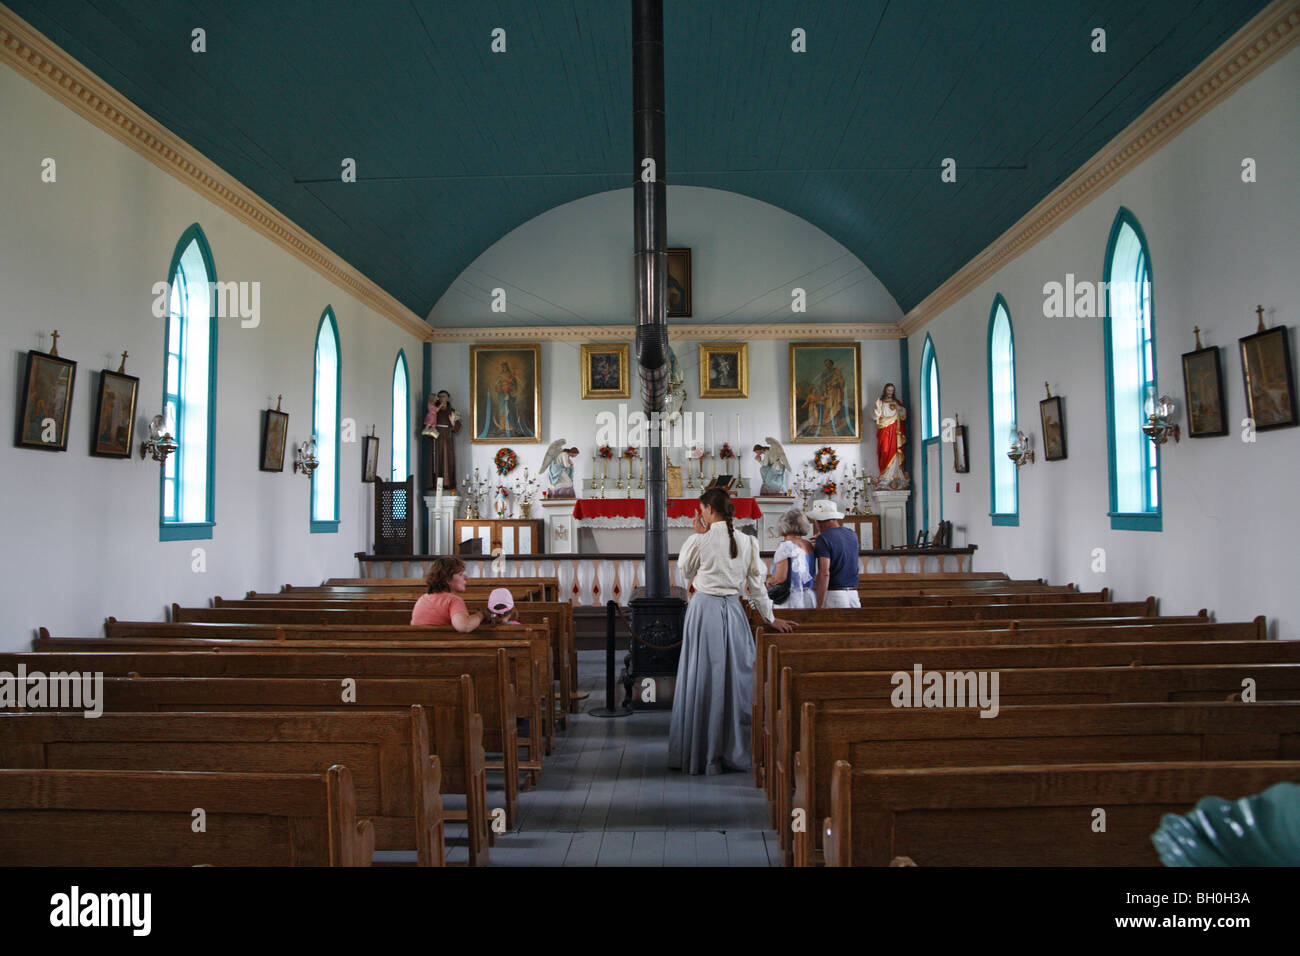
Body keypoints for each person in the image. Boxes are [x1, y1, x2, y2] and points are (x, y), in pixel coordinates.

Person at [668, 488, 795, 776]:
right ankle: (734, 749)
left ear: (708, 510)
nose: (700, 514)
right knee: (736, 681)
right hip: (734, 613)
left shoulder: (699, 539)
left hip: (704, 612)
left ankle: (704, 753)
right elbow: (757, 585)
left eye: (701, 509)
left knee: (704, 679)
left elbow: (684, 573)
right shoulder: (747, 541)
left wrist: (698, 536)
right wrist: (769, 617)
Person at [808, 499, 860, 608]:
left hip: (834, 595)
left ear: (818, 521)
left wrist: (819, 605)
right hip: (853, 595)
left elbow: (824, 573)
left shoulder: (823, 538)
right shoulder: (852, 534)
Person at [410, 556, 484, 632]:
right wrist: (480, 615)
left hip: (415, 642)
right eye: (460, 574)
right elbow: (464, 626)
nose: (466, 578)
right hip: (440, 642)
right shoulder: (453, 600)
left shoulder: (422, 598)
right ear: (448, 579)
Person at [768, 508, 815, 609]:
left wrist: (768, 582)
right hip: (808, 596)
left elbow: (780, 578)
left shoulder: (785, 546)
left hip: (790, 598)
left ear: (784, 525)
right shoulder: (809, 545)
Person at [873, 383, 907, 482]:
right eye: (888, 390)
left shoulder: (897, 403)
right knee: (884, 450)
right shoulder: (881, 402)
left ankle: (895, 474)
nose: (890, 392)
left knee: (895, 451)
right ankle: (884, 475)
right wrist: (878, 408)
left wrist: (900, 410)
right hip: (884, 430)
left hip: (895, 431)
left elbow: (903, 414)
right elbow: (875, 416)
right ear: (885, 390)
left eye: (892, 390)